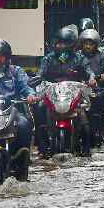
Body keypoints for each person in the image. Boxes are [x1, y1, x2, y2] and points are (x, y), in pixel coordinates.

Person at [37, 27, 95, 156]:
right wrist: (37, 78)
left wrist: (91, 78)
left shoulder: (79, 58)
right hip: (52, 94)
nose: (59, 45)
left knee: (85, 112)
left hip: (74, 94)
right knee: (40, 108)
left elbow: (88, 71)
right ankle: (42, 148)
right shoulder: (48, 59)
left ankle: (86, 148)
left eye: (62, 43)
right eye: (58, 42)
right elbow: (40, 73)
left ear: (71, 44)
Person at [78, 29, 104, 146]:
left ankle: (99, 130)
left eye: (90, 43)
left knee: (98, 103)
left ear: (96, 44)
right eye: (85, 43)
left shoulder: (102, 56)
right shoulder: (77, 56)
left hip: (97, 89)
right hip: (78, 89)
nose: (88, 46)